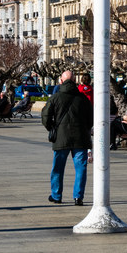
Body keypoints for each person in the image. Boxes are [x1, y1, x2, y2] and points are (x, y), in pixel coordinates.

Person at [41, 70, 92, 205]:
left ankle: (56, 195)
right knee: (81, 167)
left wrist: (51, 127)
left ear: (61, 81)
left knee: (58, 167)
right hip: (80, 138)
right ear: (75, 82)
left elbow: (45, 116)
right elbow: (91, 119)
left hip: (61, 137)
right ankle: (78, 197)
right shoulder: (83, 98)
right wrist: (85, 129)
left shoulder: (55, 98)